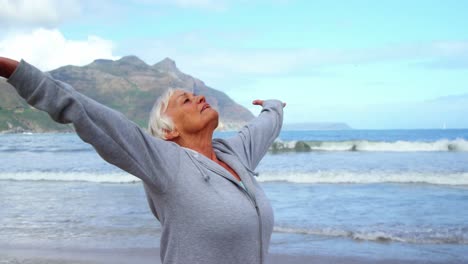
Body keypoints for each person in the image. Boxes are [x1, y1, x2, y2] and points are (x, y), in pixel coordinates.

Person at [0, 57, 285, 264]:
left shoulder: (235, 155)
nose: (199, 99)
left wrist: (273, 106)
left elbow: (264, 127)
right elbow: (83, 109)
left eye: (195, 96)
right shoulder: (165, 163)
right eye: (186, 101)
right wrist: (13, 71)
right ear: (169, 131)